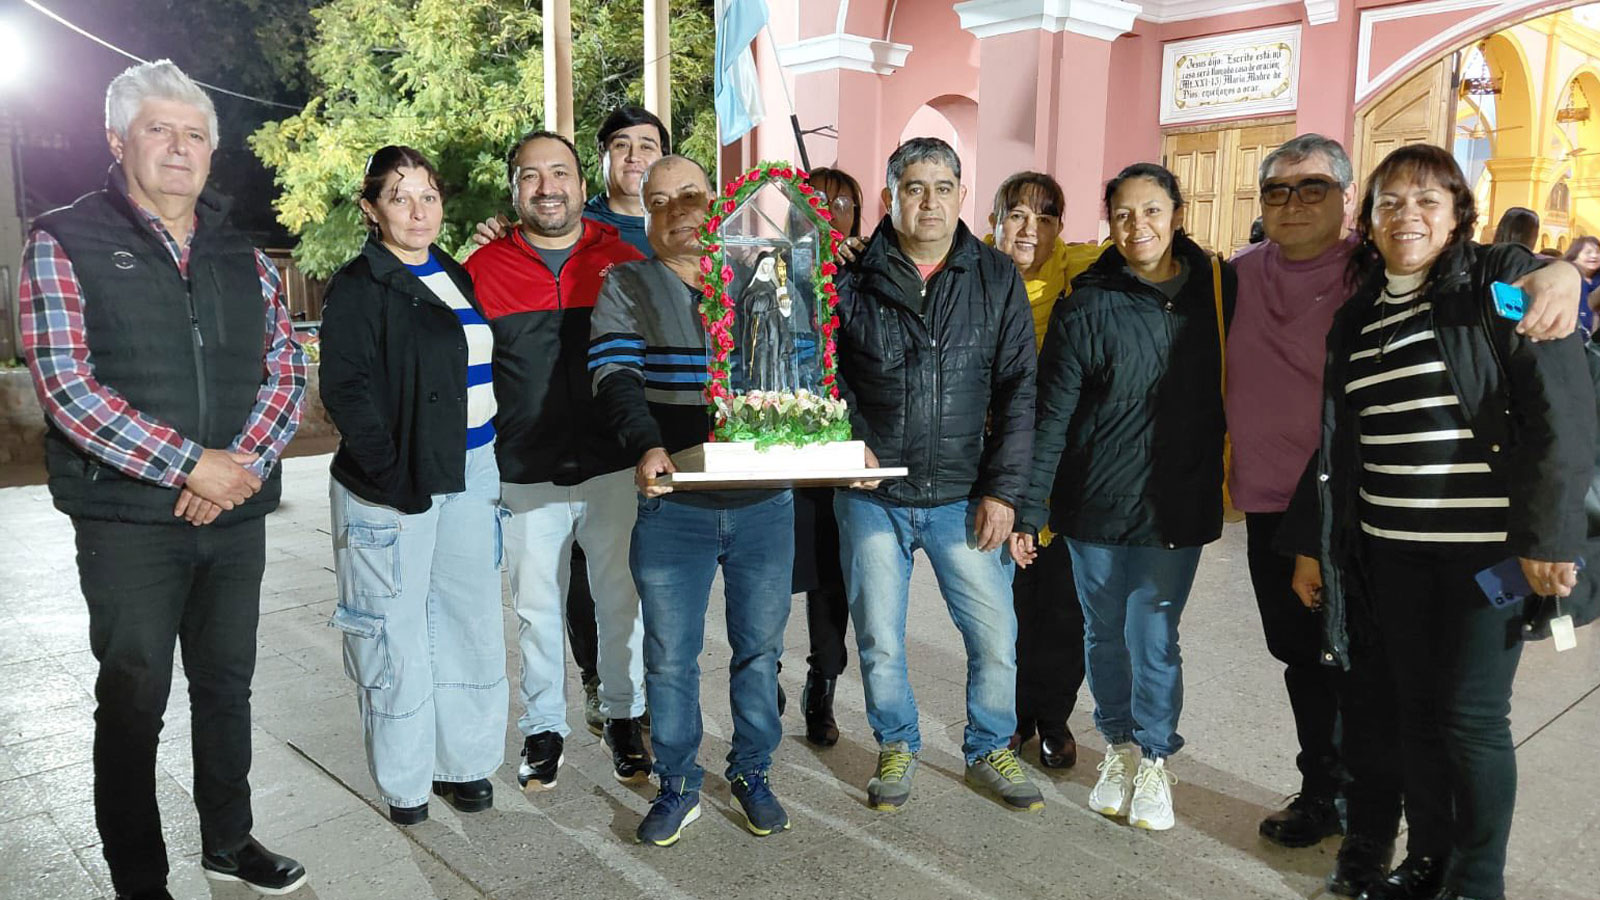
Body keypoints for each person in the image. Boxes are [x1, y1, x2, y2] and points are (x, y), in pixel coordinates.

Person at [19, 60, 308, 898]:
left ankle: (230, 839)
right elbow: (68, 386)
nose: (179, 148)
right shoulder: (63, 239)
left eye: (195, 134)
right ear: (117, 140)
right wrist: (193, 465)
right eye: (159, 129)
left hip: (234, 514)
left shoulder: (239, 251)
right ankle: (138, 876)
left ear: (212, 153)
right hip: (127, 522)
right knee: (134, 699)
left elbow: (286, 368)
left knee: (227, 687)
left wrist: (241, 468)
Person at [1287, 143, 1593, 900]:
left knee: (1472, 719)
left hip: (1482, 559)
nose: (1407, 215)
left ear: (1459, 214)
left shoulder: (1495, 288)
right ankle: (1426, 862)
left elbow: (1564, 405)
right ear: (1370, 219)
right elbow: (1339, 447)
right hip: (1391, 555)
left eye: (1427, 200)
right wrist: (1318, 545)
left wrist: (1550, 537)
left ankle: (1476, 881)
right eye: (1390, 201)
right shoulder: (1358, 318)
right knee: (1415, 713)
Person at [1012, 162, 1232, 833]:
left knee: (1152, 635)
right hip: (1095, 505)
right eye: (1124, 214)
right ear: (1109, 221)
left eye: (1153, 211)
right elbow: (1053, 415)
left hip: (1175, 501)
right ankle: (1116, 748)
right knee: (1104, 635)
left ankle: (1157, 759)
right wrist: (1033, 508)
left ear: (1177, 214)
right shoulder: (1085, 303)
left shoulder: (1218, 288)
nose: (1138, 227)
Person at [833, 137, 1043, 813]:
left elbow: (1018, 389)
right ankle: (896, 742)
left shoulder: (994, 276)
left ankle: (988, 747)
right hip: (873, 494)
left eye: (944, 187)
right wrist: (851, 441)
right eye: (914, 187)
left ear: (962, 193)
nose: (930, 201)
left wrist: (1005, 491)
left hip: (965, 492)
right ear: (890, 194)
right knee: (878, 637)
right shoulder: (851, 276)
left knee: (994, 637)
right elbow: (824, 374)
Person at [590, 155, 795, 846]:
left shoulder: (762, 279)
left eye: (692, 195)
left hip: (765, 505)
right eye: (658, 200)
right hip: (673, 505)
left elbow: (804, 371)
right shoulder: (627, 284)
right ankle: (677, 782)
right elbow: (615, 373)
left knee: (759, 652)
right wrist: (645, 446)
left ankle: (752, 771)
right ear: (644, 214)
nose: (678, 209)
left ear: (718, 204)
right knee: (670, 656)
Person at [319, 145, 508, 826]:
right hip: (394, 480)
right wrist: (392, 475)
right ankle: (406, 781)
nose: (418, 209)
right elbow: (346, 388)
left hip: (473, 467)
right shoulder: (359, 285)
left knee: (468, 618)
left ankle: (464, 763)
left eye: (428, 194)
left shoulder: (450, 272)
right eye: (400, 196)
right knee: (394, 627)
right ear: (372, 209)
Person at [464, 130, 650, 792]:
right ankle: (544, 729)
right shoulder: (483, 269)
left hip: (611, 468)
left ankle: (628, 719)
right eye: (531, 176)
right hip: (524, 470)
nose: (547, 187)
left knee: (620, 600)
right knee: (537, 609)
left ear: (580, 182)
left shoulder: (622, 259)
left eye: (560, 173)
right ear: (514, 189)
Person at [985, 171, 1102, 769]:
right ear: (994, 221)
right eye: (1017, 215)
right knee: (998, 605)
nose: (1031, 229)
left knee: (1059, 604)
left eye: (1046, 217)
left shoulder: (1082, 279)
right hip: (987, 468)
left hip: (1060, 470)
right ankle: (1006, 715)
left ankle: (1051, 714)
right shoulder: (970, 278)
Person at [792, 165, 863, 747]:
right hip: (775, 444)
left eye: (844, 203)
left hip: (836, 446)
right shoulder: (759, 269)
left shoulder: (861, 275)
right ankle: (764, 676)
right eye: (816, 200)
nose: (830, 211)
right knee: (768, 572)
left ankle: (824, 683)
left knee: (829, 578)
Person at [583, 105, 669, 256]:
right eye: (621, 145)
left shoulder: (683, 228)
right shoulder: (576, 227)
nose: (633, 156)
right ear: (601, 158)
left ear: (663, 159)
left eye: (646, 147)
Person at [1562, 234, 1599, 338]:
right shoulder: (1565, 277)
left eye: (1598, 252)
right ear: (1575, 255)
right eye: (1588, 252)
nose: (1594, 256)